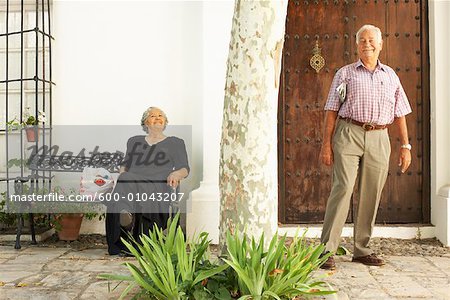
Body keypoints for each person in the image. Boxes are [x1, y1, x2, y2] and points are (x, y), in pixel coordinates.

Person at [319, 24, 412, 269]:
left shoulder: (391, 75)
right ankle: (326, 250)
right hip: (349, 133)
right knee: (343, 188)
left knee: (372, 192)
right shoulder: (345, 74)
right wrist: (326, 145)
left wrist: (406, 145)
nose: (367, 44)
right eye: (362, 40)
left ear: (380, 44)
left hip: (380, 137)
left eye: (372, 40)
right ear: (356, 45)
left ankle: (362, 249)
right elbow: (331, 110)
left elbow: (400, 112)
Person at [105, 106, 190, 255]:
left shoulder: (176, 142)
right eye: (152, 116)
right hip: (132, 183)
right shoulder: (134, 141)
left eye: (160, 116)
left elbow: (184, 168)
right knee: (124, 180)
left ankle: (127, 218)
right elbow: (125, 165)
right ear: (145, 123)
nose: (157, 118)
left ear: (165, 122)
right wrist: (119, 178)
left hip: (157, 184)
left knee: (124, 187)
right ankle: (125, 216)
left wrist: (176, 174)